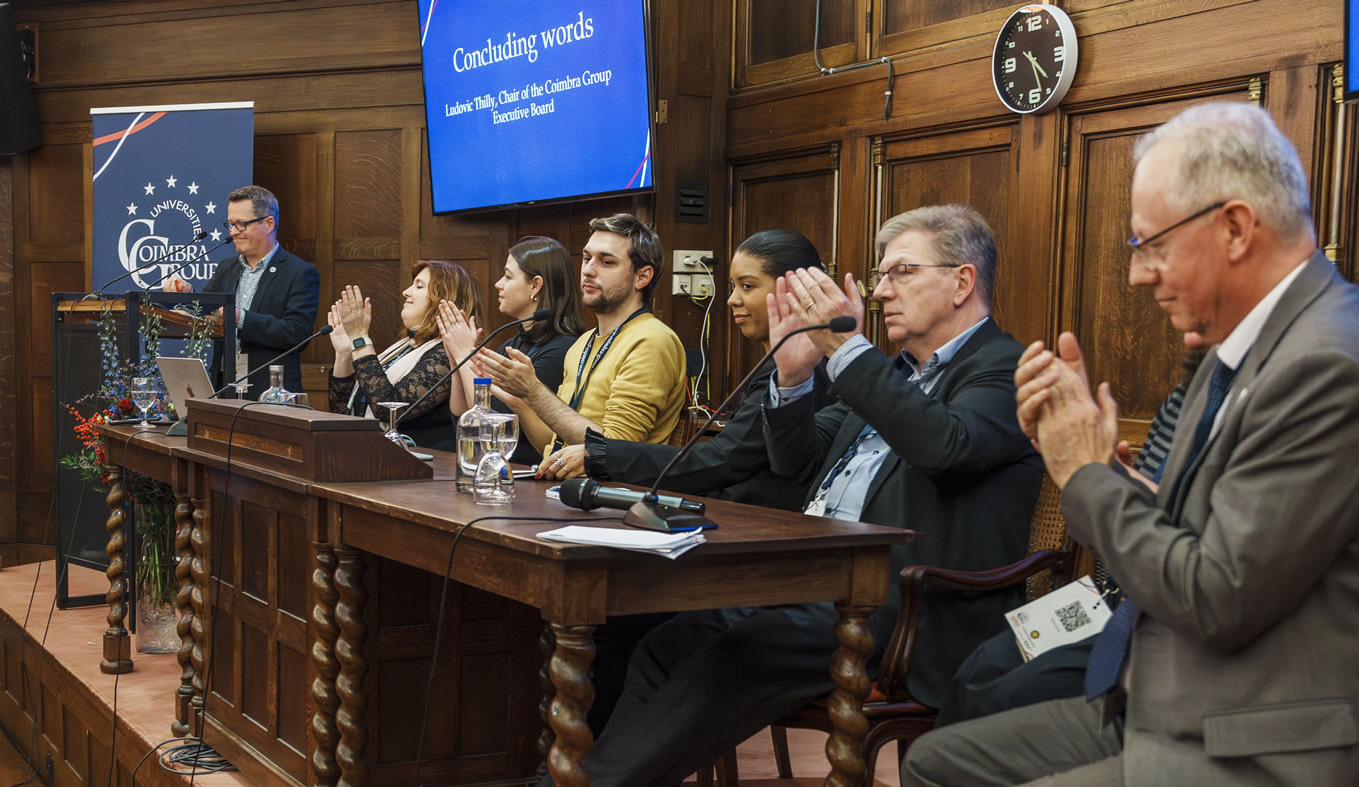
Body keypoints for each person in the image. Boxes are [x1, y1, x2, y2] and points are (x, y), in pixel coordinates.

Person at [902, 102, 1359, 785]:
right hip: (1160, 698)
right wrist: (1098, 463)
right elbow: (1195, 528)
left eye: (1152, 245)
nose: (1137, 275)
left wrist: (1085, 473)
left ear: (1236, 228)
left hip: (1249, 740)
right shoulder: (1238, 346)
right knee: (934, 761)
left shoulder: (1324, 363)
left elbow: (1215, 597)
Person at [542, 205, 1043, 786]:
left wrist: (846, 349)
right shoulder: (896, 374)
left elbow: (944, 446)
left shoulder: (1004, 368)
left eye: (901, 273)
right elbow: (798, 462)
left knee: (728, 660)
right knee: (663, 645)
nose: (882, 291)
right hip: (811, 582)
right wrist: (793, 377)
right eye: (881, 275)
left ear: (962, 282)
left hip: (900, 605)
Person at [934, 347, 1202, 728]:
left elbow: (1196, 541)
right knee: (979, 667)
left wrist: (1103, 480)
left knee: (1005, 695)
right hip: (1110, 595)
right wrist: (1106, 478)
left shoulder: (1250, 407)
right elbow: (1130, 524)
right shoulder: (1181, 399)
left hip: (1161, 618)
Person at [579, 229, 832, 511]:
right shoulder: (777, 364)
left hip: (763, 526)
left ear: (796, 290)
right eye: (733, 286)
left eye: (747, 286)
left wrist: (603, 456)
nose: (732, 299)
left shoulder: (805, 370)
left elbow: (724, 460)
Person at [475, 213, 685, 478]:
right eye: (587, 258)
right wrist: (521, 401)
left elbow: (615, 450)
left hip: (613, 493)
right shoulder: (583, 343)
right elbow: (554, 447)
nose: (588, 270)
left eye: (606, 262)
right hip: (564, 487)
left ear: (642, 277)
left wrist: (533, 390)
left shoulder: (651, 340)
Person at [437, 236, 584, 466]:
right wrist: (456, 358)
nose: (498, 284)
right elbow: (462, 413)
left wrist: (464, 353)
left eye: (507, 276)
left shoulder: (562, 348)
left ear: (535, 285)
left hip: (525, 471)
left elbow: (492, 425)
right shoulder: (513, 343)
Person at [164, 185, 319, 399]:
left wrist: (241, 318)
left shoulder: (299, 272)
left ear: (268, 223)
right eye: (230, 224)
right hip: (224, 389)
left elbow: (298, 333)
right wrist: (187, 293)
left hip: (270, 394)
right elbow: (204, 311)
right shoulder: (226, 268)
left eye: (241, 224)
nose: (233, 232)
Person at [326, 260, 481, 452]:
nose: (406, 292)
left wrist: (359, 337)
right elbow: (342, 413)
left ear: (443, 299)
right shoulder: (404, 348)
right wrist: (344, 353)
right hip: (372, 455)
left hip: (418, 464)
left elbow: (387, 410)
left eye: (419, 286)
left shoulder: (445, 355)